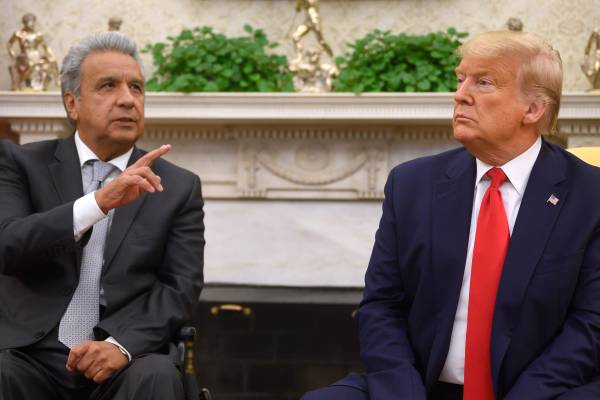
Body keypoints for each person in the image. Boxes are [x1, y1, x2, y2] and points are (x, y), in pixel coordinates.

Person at [302, 31, 600, 400]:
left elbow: (591, 324)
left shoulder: (590, 194)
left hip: (540, 391)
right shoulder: (411, 184)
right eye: (461, 79)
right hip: (422, 388)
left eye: (484, 82)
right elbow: (382, 307)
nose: (460, 95)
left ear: (534, 109)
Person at [0, 31, 205, 400]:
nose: (127, 100)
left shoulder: (178, 186)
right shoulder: (20, 163)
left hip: (125, 355)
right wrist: (98, 203)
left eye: (137, 88)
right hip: (30, 353)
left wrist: (121, 345)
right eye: (108, 86)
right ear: (72, 103)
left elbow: (180, 287)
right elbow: (8, 244)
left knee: (157, 375)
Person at [6, 13, 59, 91]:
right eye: (28, 22)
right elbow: (9, 44)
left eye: (32, 22)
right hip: (24, 56)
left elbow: (46, 48)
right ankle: (25, 84)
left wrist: (51, 55)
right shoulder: (19, 34)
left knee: (51, 61)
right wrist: (12, 53)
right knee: (31, 64)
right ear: (24, 23)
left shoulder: (38, 35)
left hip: (35, 55)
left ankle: (56, 80)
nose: (31, 24)